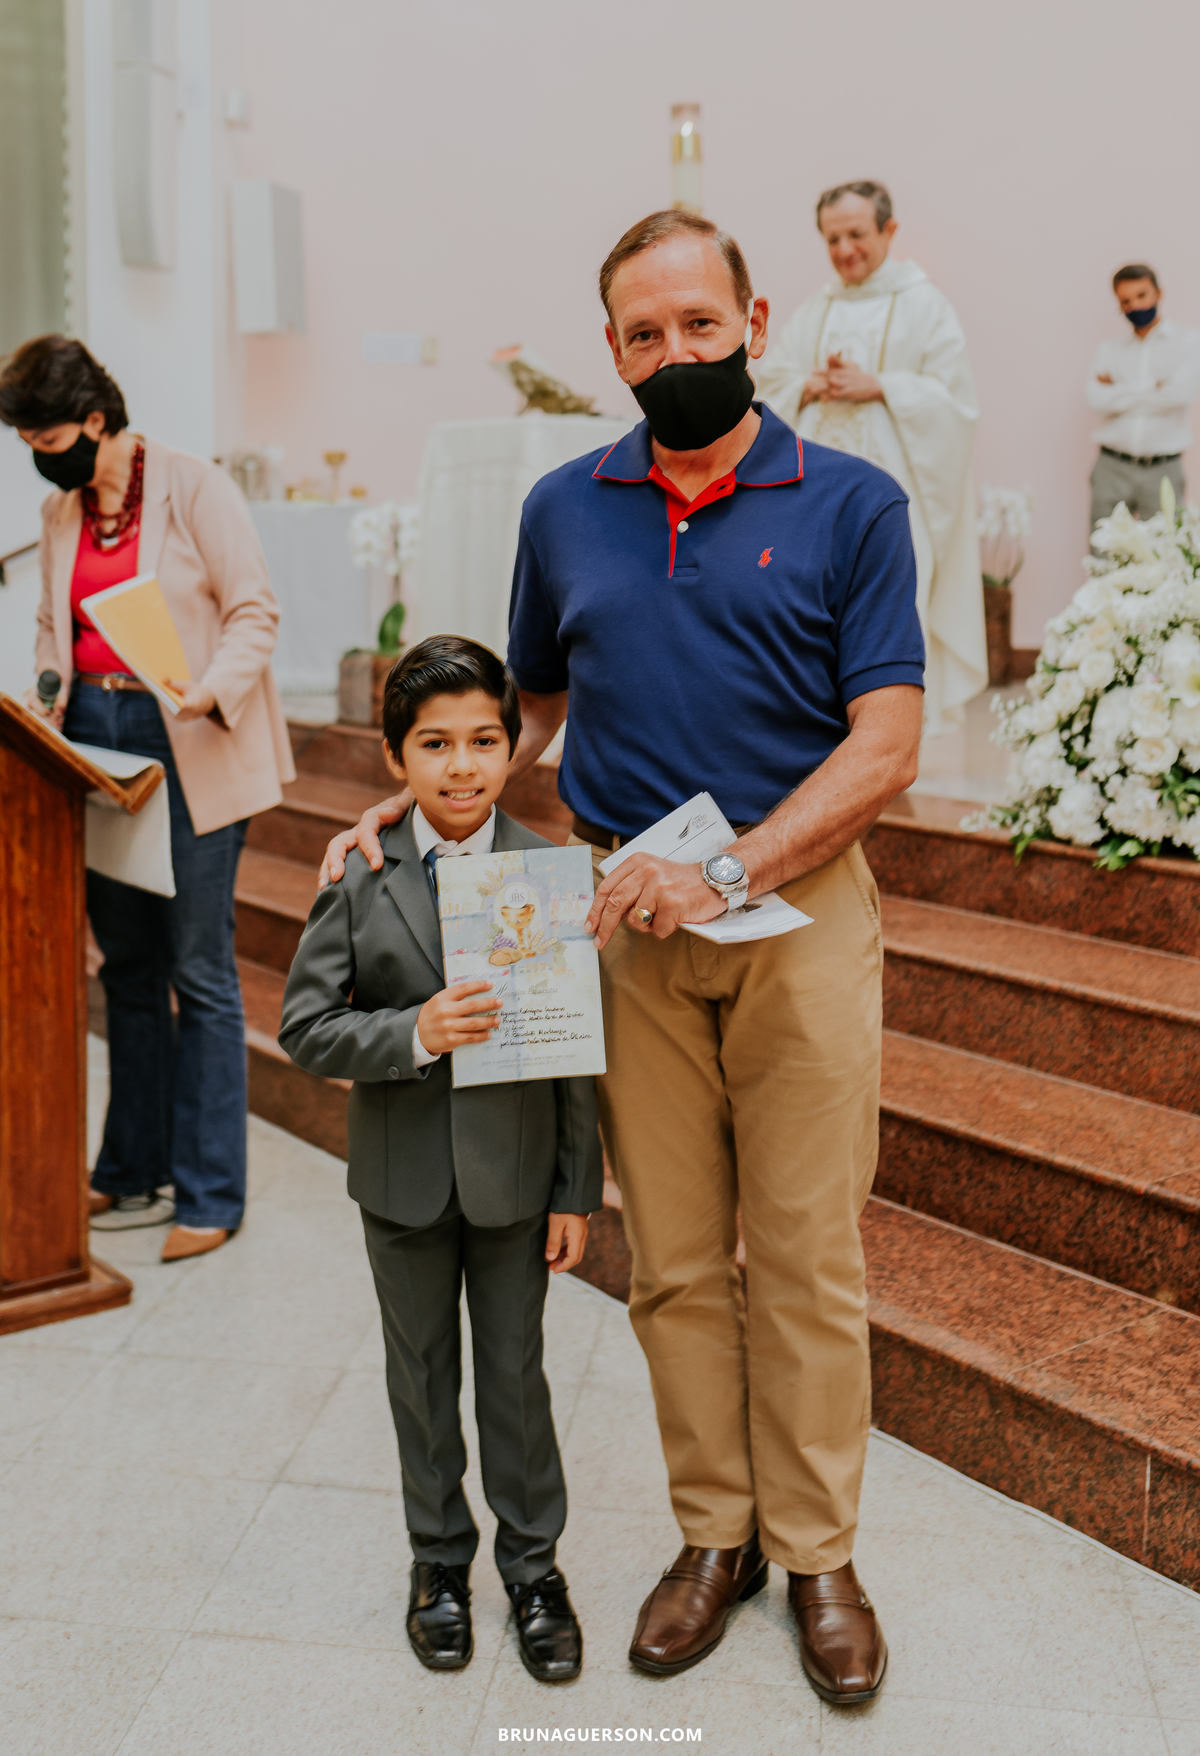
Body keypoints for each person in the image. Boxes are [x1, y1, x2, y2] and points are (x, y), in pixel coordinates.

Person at [317, 209, 925, 1708]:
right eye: (644, 335)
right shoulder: (563, 508)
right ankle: (715, 1538)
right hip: (621, 925)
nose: (675, 353)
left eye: (700, 325)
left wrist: (729, 868)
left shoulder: (850, 501)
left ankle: (821, 1554)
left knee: (805, 1254)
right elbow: (525, 705)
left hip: (794, 918)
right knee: (673, 1263)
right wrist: (431, 799)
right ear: (612, 350)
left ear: (755, 323)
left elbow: (889, 742)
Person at [279, 636, 601, 1683]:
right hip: (403, 1179)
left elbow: (571, 1054)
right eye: (434, 744)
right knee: (420, 1378)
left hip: (517, 1179)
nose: (461, 767)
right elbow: (305, 1027)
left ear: (513, 748)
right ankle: (438, 1563)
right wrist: (412, 1032)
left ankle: (535, 1568)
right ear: (394, 757)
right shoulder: (360, 873)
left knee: (516, 1378)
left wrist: (575, 1190)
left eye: (483, 741)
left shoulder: (547, 875)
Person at [0, 335, 295, 1261]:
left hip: (189, 733)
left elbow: (254, 612)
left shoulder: (195, 486)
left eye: (49, 439)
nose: (40, 457)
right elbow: (52, 624)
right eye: (28, 444)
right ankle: (132, 1166)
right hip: (92, 736)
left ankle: (209, 1191)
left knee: (198, 969)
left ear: (95, 420)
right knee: (125, 964)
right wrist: (47, 692)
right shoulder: (60, 511)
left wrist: (212, 687)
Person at [756, 179, 985, 736]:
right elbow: (772, 381)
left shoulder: (925, 305)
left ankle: (893, 727)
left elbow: (955, 403)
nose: (844, 250)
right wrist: (808, 385)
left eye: (856, 235)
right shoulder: (816, 310)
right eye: (832, 239)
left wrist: (881, 386)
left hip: (897, 494)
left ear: (889, 230)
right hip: (813, 498)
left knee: (892, 596)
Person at [1087, 263, 1200, 528]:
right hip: (1111, 468)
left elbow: (1181, 395)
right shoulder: (1109, 350)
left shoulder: (1188, 342)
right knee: (1104, 548)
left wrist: (1119, 389)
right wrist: (1154, 386)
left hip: (1163, 469)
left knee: (1165, 548)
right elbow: (1097, 400)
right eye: (1126, 301)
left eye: (1141, 295)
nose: (1135, 305)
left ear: (1158, 293)